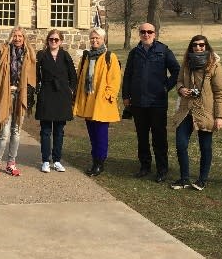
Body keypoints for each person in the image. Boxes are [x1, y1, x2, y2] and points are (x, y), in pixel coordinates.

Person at [122, 23, 180, 183]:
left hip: (157, 102)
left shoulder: (163, 51)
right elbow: (127, 76)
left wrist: (166, 87)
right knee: (142, 137)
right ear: (139, 34)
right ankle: (144, 166)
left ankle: (162, 169)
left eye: (149, 32)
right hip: (138, 102)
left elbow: (177, 71)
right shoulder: (134, 53)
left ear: (155, 34)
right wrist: (126, 96)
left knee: (159, 137)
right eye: (143, 32)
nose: (146, 34)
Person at [170, 35, 222, 191]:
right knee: (181, 144)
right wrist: (181, 89)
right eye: (195, 45)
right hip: (186, 110)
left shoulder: (214, 65)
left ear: (206, 47)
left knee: (205, 147)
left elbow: (220, 91)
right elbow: (179, 80)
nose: (198, 48)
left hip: (205, 111)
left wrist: (220, 116)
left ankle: (202, 179)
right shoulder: (186, 63)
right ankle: (184, 178)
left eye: (202, 45)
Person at [0, 26, 36, 178]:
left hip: (21, 96)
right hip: (7, 95)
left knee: (16, 132)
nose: (17, 38)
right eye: (15, 35)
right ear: (11, 37)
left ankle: (11, 163)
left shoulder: (30, 54)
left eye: (20, 36)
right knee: (4, 132)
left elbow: (32, 77)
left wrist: (30, 93)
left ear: (24, 38)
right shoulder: (3, 51)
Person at [73, 27, 121, 177]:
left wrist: (109, 94)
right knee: (92, 133)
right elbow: (80, 76)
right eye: (92, 38)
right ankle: (95, 160)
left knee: (101, 133)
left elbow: (115, 78)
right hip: (88, 99)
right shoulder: (87, 56)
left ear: (103, 39)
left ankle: (100, 163)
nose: (94, 40)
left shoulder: (109, 56)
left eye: (97, 38)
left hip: (102, 101)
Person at [35, 29, 77, 173]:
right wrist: (37, 88)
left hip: (62, 96)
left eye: (56, 39)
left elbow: (73, 75)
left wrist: (70, 90)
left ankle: (57, 160)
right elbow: (35, 74)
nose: (53, 41)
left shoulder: (65, 55)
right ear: (47, 40)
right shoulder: (41, 55)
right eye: (51, 39)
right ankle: (45, 160)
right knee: (45, 130)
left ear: (61, 41)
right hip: (46, 94)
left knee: (59, 131)